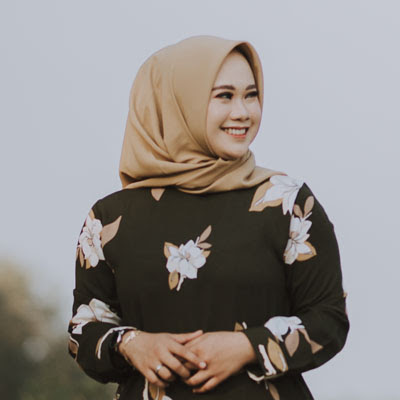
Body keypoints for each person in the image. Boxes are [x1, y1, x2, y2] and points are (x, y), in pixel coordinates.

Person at [68, 35, 349, 400]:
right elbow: (83, 331)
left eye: (251, 95)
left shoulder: (287, 203)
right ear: (176, 104)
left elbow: (328, 320)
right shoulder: (108, 221)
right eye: (224, 96)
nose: (243, 112)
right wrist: (133, 344)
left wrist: (248, 346)